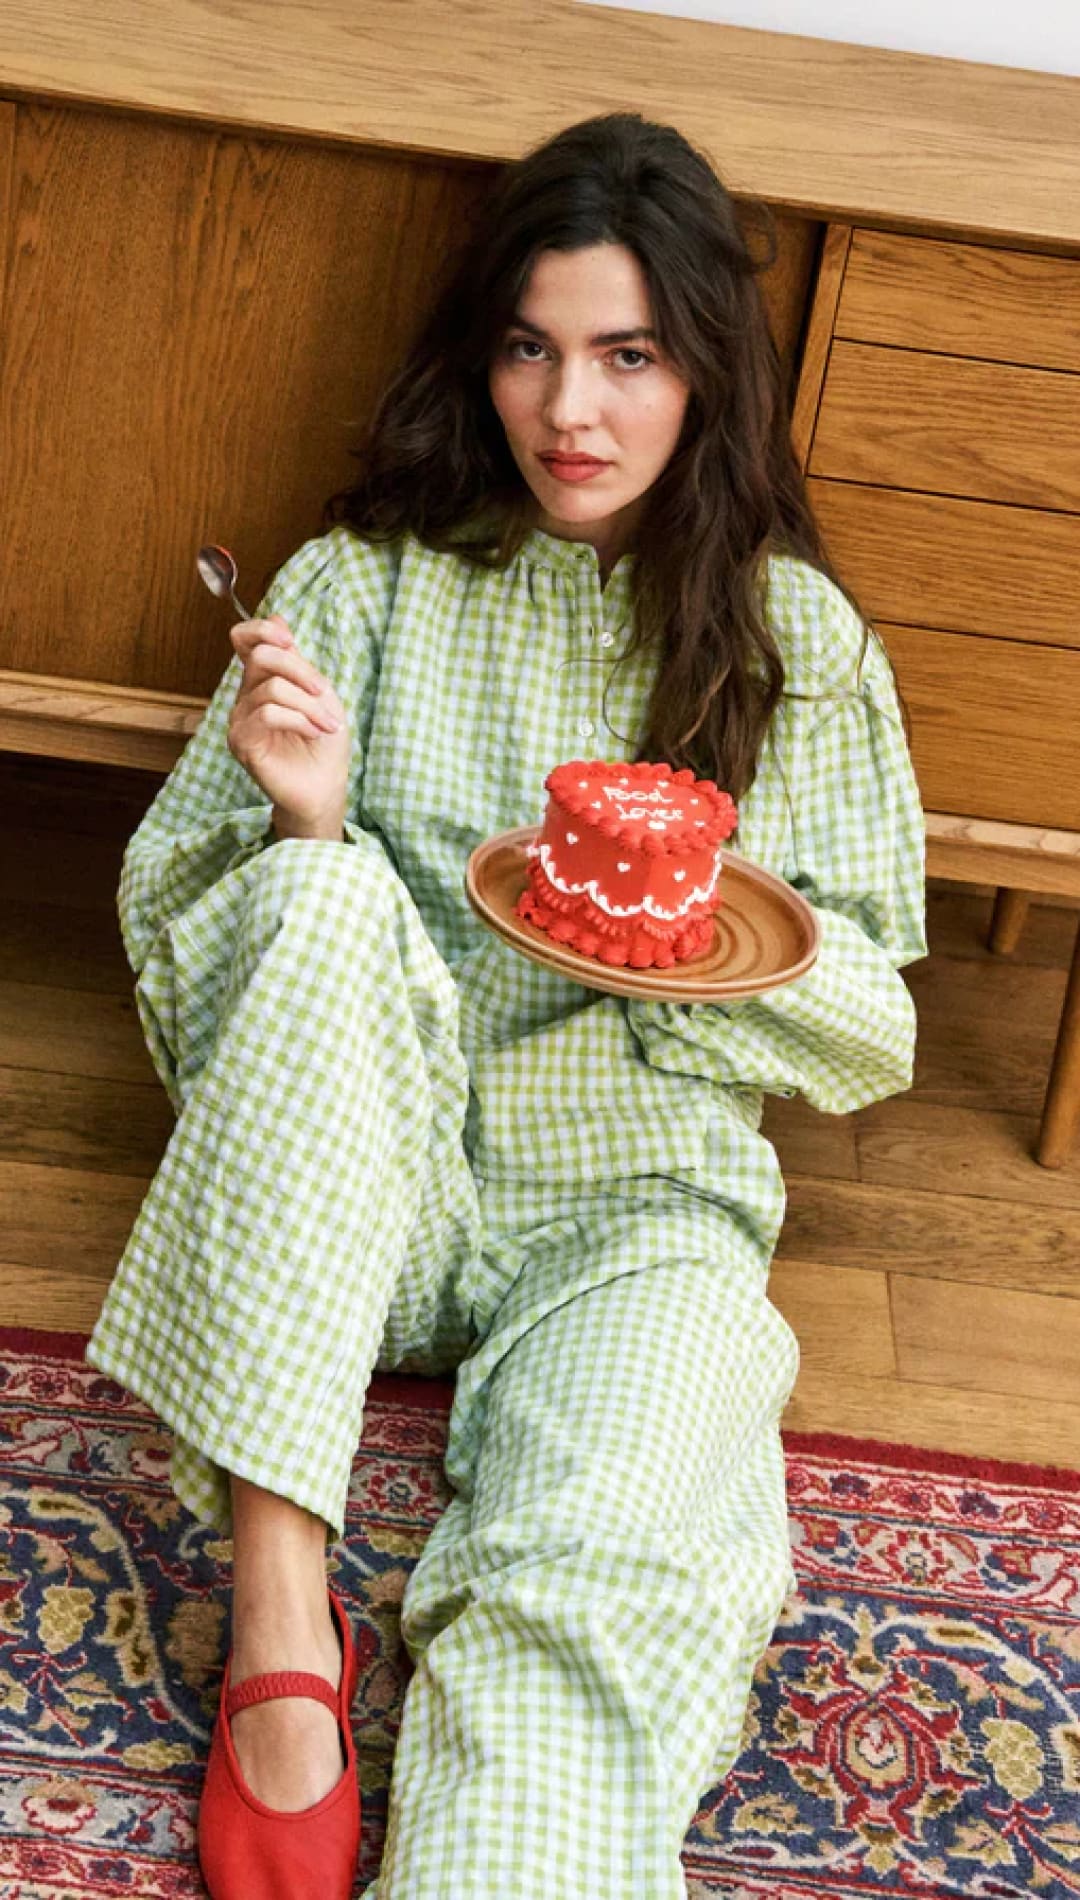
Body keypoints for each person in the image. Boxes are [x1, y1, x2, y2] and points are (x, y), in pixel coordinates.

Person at [86, 112, 926, 1900]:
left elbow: (872, 1026)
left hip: (634, 1216)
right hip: (356, 1186)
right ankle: (282, 1616)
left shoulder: (796, 644)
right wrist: (309, 824)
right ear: (482, 356)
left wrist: (674, 946)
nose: (573, 412)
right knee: (309, 895)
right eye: (533, 348)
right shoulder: (360, 583)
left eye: (629, 357)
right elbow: (176, 929)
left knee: (597, 1592)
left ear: (703, 370)